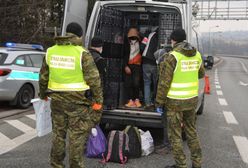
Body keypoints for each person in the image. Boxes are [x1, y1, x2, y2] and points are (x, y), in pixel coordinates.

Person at [39, 22, 103, 168]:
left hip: (57, 103)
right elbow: (94, 80)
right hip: (77, 105)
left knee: (58, 135)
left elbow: (43, 77)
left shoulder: (50, 51)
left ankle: (56, 164)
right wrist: (98, 101)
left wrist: (43, 94)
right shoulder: (82, 53)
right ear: (79, 36)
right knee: (76, 138)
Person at [155, 28, 205, 168]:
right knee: (191, 132)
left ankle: (181, 165)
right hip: (192, 100)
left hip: (174, 103)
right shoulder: (197, 55)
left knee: (175, 135)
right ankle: (197, 163)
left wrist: (159, 102)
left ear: (173, 40)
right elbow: (201, 74)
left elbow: (164, 83)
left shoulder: (172, 56)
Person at [123, 27, 146, 108]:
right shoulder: (126, 42)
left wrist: (139, 34)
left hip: (137, 65)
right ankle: (130, 100)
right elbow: (123, 55)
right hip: (128, 65)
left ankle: (136, 100)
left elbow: (145, 38)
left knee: (136, 83)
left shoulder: (140, 41)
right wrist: (125, 66)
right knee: (128, 84)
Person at [142, 27, 159, 110]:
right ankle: (156, 102)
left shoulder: (149, 35)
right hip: (155, 63)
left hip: (146, 61)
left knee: (147, 83)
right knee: (156, 83)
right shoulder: (162, 36)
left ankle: (147, 103)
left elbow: (142, 45)